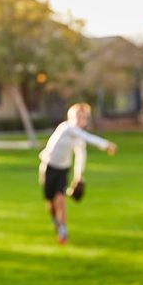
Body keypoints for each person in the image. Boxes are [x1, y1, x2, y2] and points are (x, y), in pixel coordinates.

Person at [38, 103, 117, 244]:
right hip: (48, 166)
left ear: (86, 119)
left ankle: (63, 231)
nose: (80, 118)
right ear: (70, 117)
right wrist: (107, 145)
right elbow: (87, 137)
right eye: (77, 115)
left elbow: (80, 155)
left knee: (61, 199)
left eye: (83, 116)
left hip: (63, 169)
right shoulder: (66, 128)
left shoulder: (79, 137)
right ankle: (57, 221)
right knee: (51, 203)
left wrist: (78, 175)